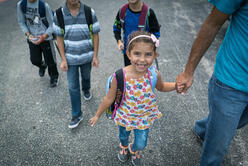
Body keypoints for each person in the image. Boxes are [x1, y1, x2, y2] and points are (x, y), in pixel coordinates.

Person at [176, 1, 248, 165]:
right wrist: (189, 71)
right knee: (216, 151)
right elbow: (212, 23)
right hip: (232, 81)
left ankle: (205, 128)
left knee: (236, 122)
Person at [90, 31, 176, 166]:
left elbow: (162, 86)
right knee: (123, 136)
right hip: (125, 116)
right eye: (137, 53)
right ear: (128, 54)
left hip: (143, 117)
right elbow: (109, 98)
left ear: (155, 55)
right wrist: (97, 115)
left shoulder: (153, 74)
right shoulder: (119, 77)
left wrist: (176, 86)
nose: (142, 59)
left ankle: (133, 149)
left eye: (148, 54)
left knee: (141, 143)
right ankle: (124, 146)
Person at [53, 0, 100, 129]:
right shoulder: (58, 14)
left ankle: (86, 89)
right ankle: (77, 115)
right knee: (73, 86)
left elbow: (95, 34)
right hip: (70, 59)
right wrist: (63, 59)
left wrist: (95, 56)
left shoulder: (89, 12)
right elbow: (59, 38)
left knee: (86, 77)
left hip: (87, 57)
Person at [17, 0, 59, 87]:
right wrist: (28, 35)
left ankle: (54, 76)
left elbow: (52, 25)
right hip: (32, 38)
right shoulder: (21, 5)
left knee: (50, 60)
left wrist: (44, 36)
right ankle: (42, 65)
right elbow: (21, 22)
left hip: (46, 37)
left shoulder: (44, 6)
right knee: (34, 60)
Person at [113, 0, 160, 66]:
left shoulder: (149, 13)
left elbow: (156, 33)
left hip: (143, 56)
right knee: (130, 74)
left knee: (143, 75)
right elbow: (116, 27)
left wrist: (150, 48)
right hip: (128, 53)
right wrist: (119, 41)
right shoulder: (122, 11)